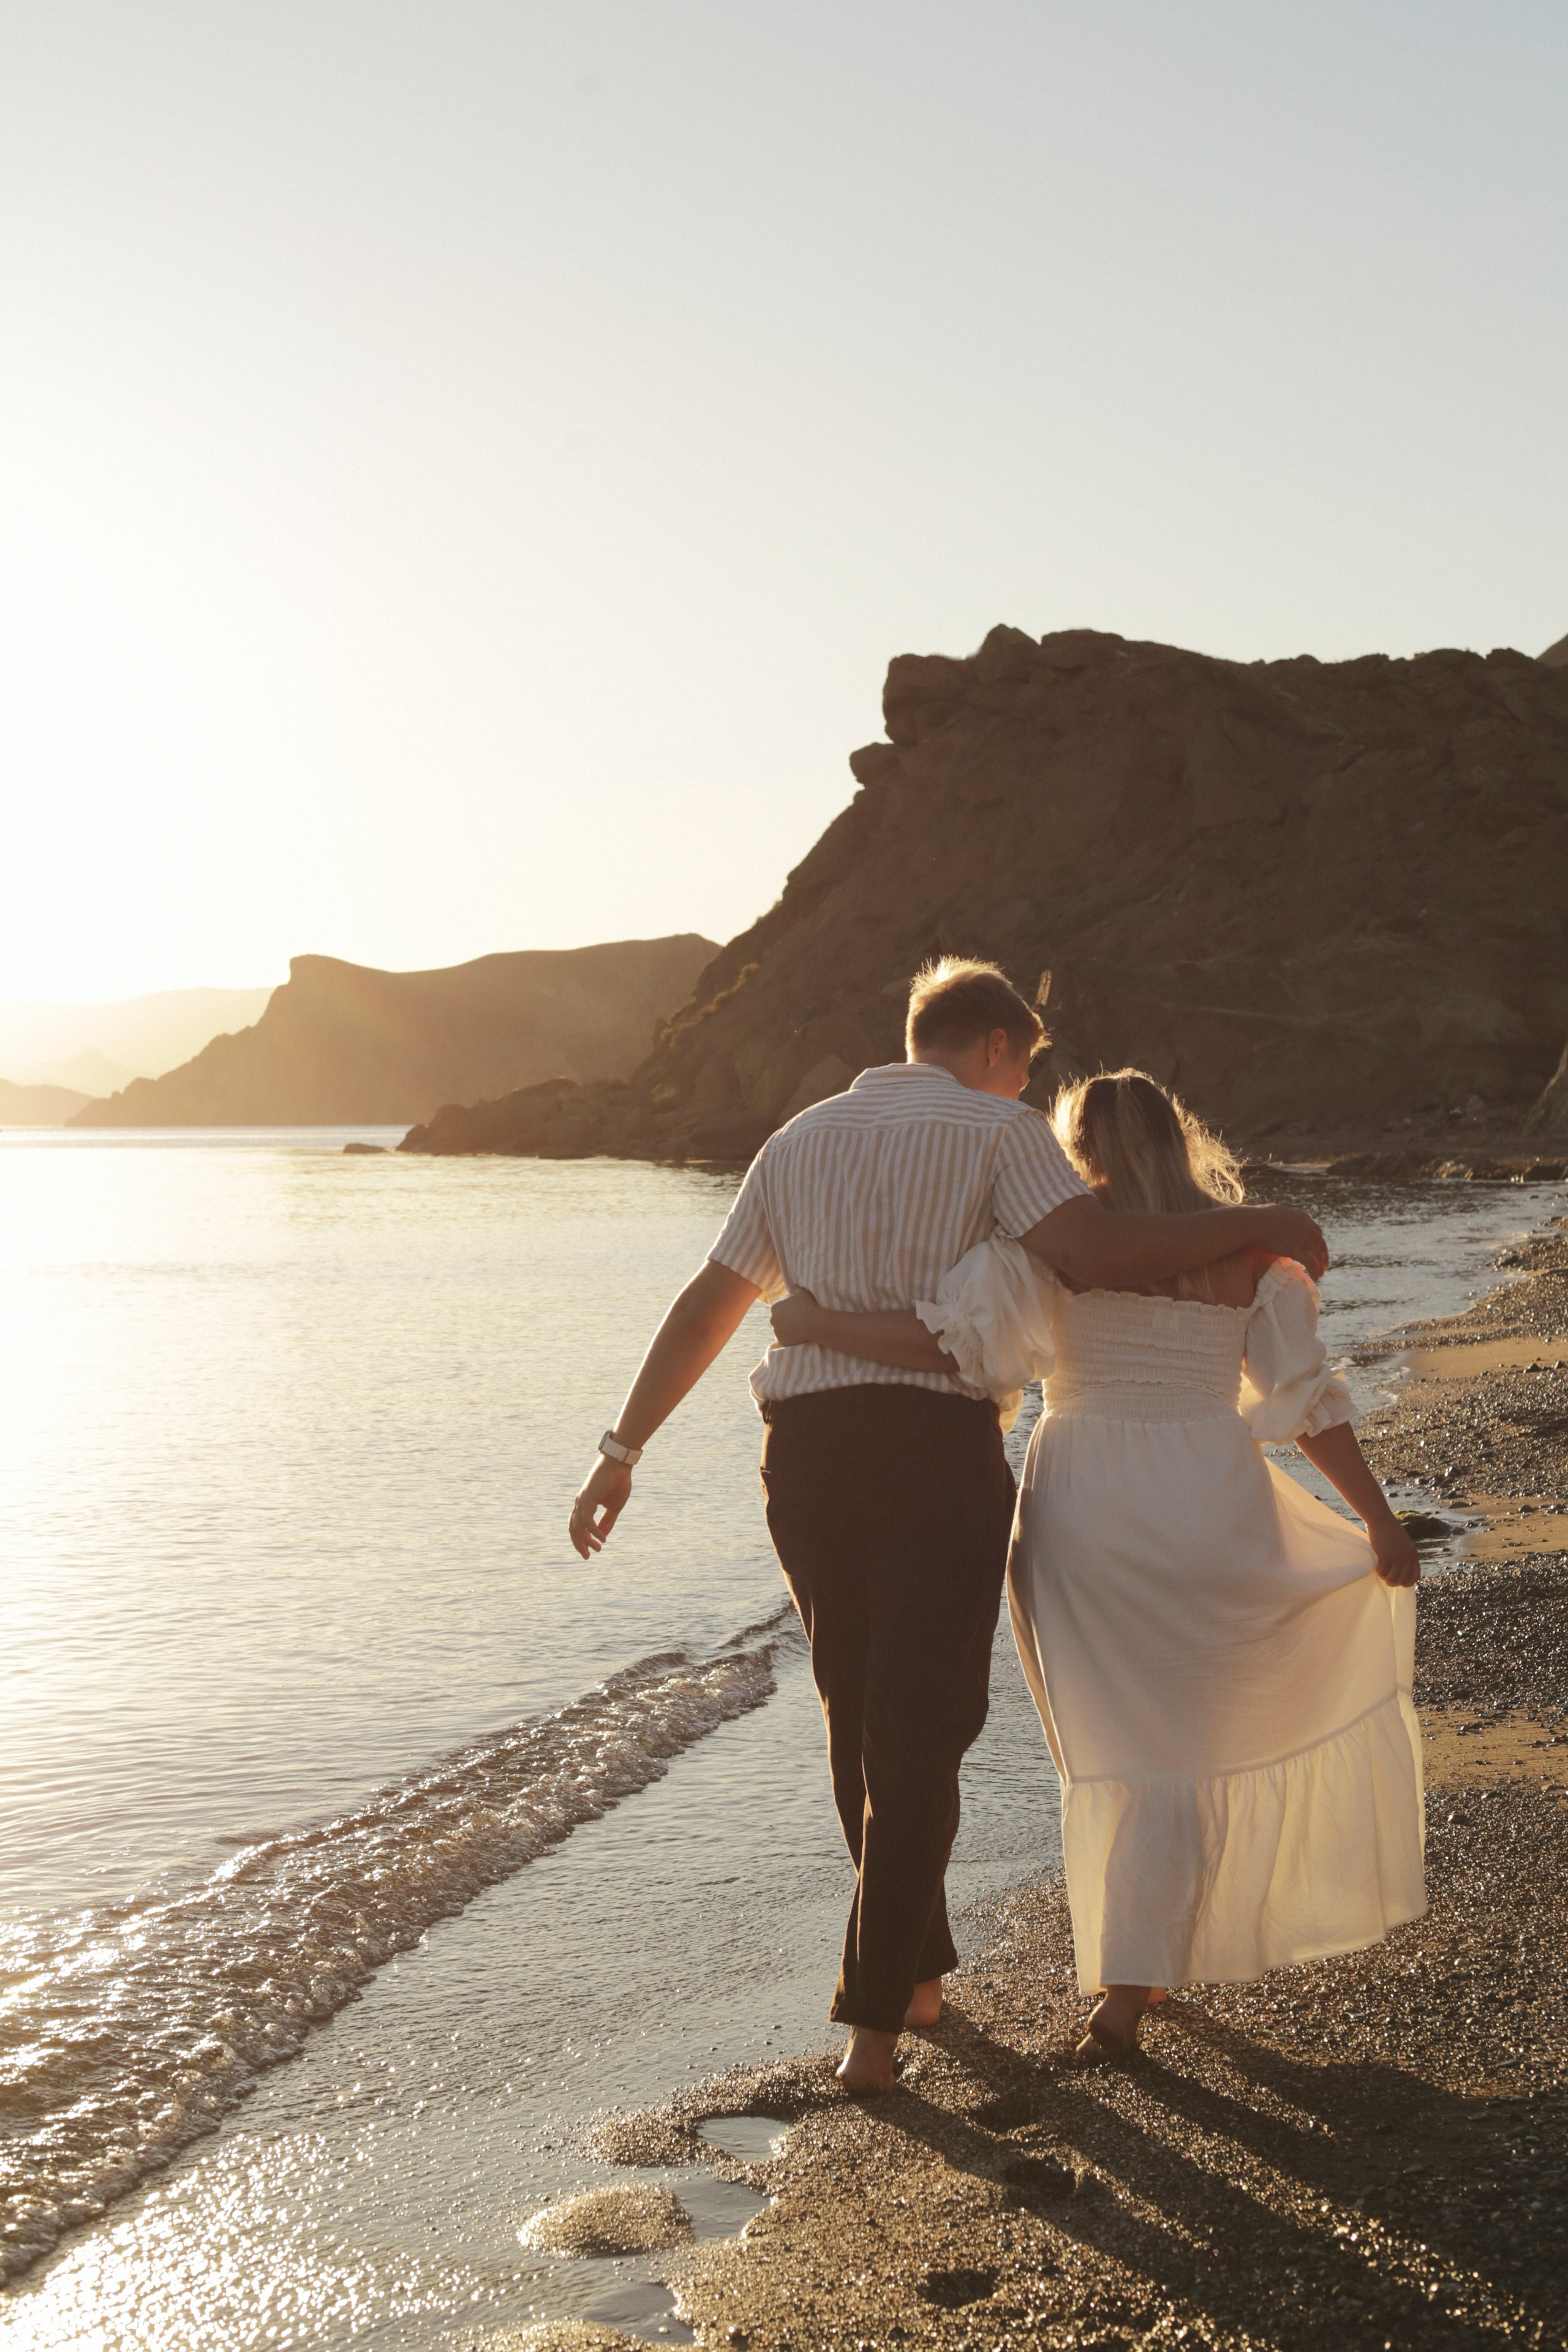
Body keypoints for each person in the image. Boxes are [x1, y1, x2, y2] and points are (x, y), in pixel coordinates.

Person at [568, 965, 1332, 2091]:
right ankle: (875, 2030)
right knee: (919, 1733)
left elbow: (709, 1302)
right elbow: (1099, 1257)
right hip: (930, 1452)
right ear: (995, 1046)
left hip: (807, 1456)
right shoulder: (998, 1129)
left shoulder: (797, 1140)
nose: (1028, 1080)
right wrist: (1267, 1219)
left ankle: (917, 1976)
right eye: (1025, 1060)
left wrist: (619, 1453)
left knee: (856, 1713)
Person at [768, 1068, 1424, 2065]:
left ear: (1080, 1155)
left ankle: (1130, 1972)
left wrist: (815, 1328)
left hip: (1080, 1507)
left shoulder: (1046, 1252)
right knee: (1190, 1737)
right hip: (1207, 1495)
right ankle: (1133, 1976)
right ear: (1179, 1136)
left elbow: (957, 1347)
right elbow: (1309, 1404)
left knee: (1112, 1744)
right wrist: (1378, 1523)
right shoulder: (1252, 1254)